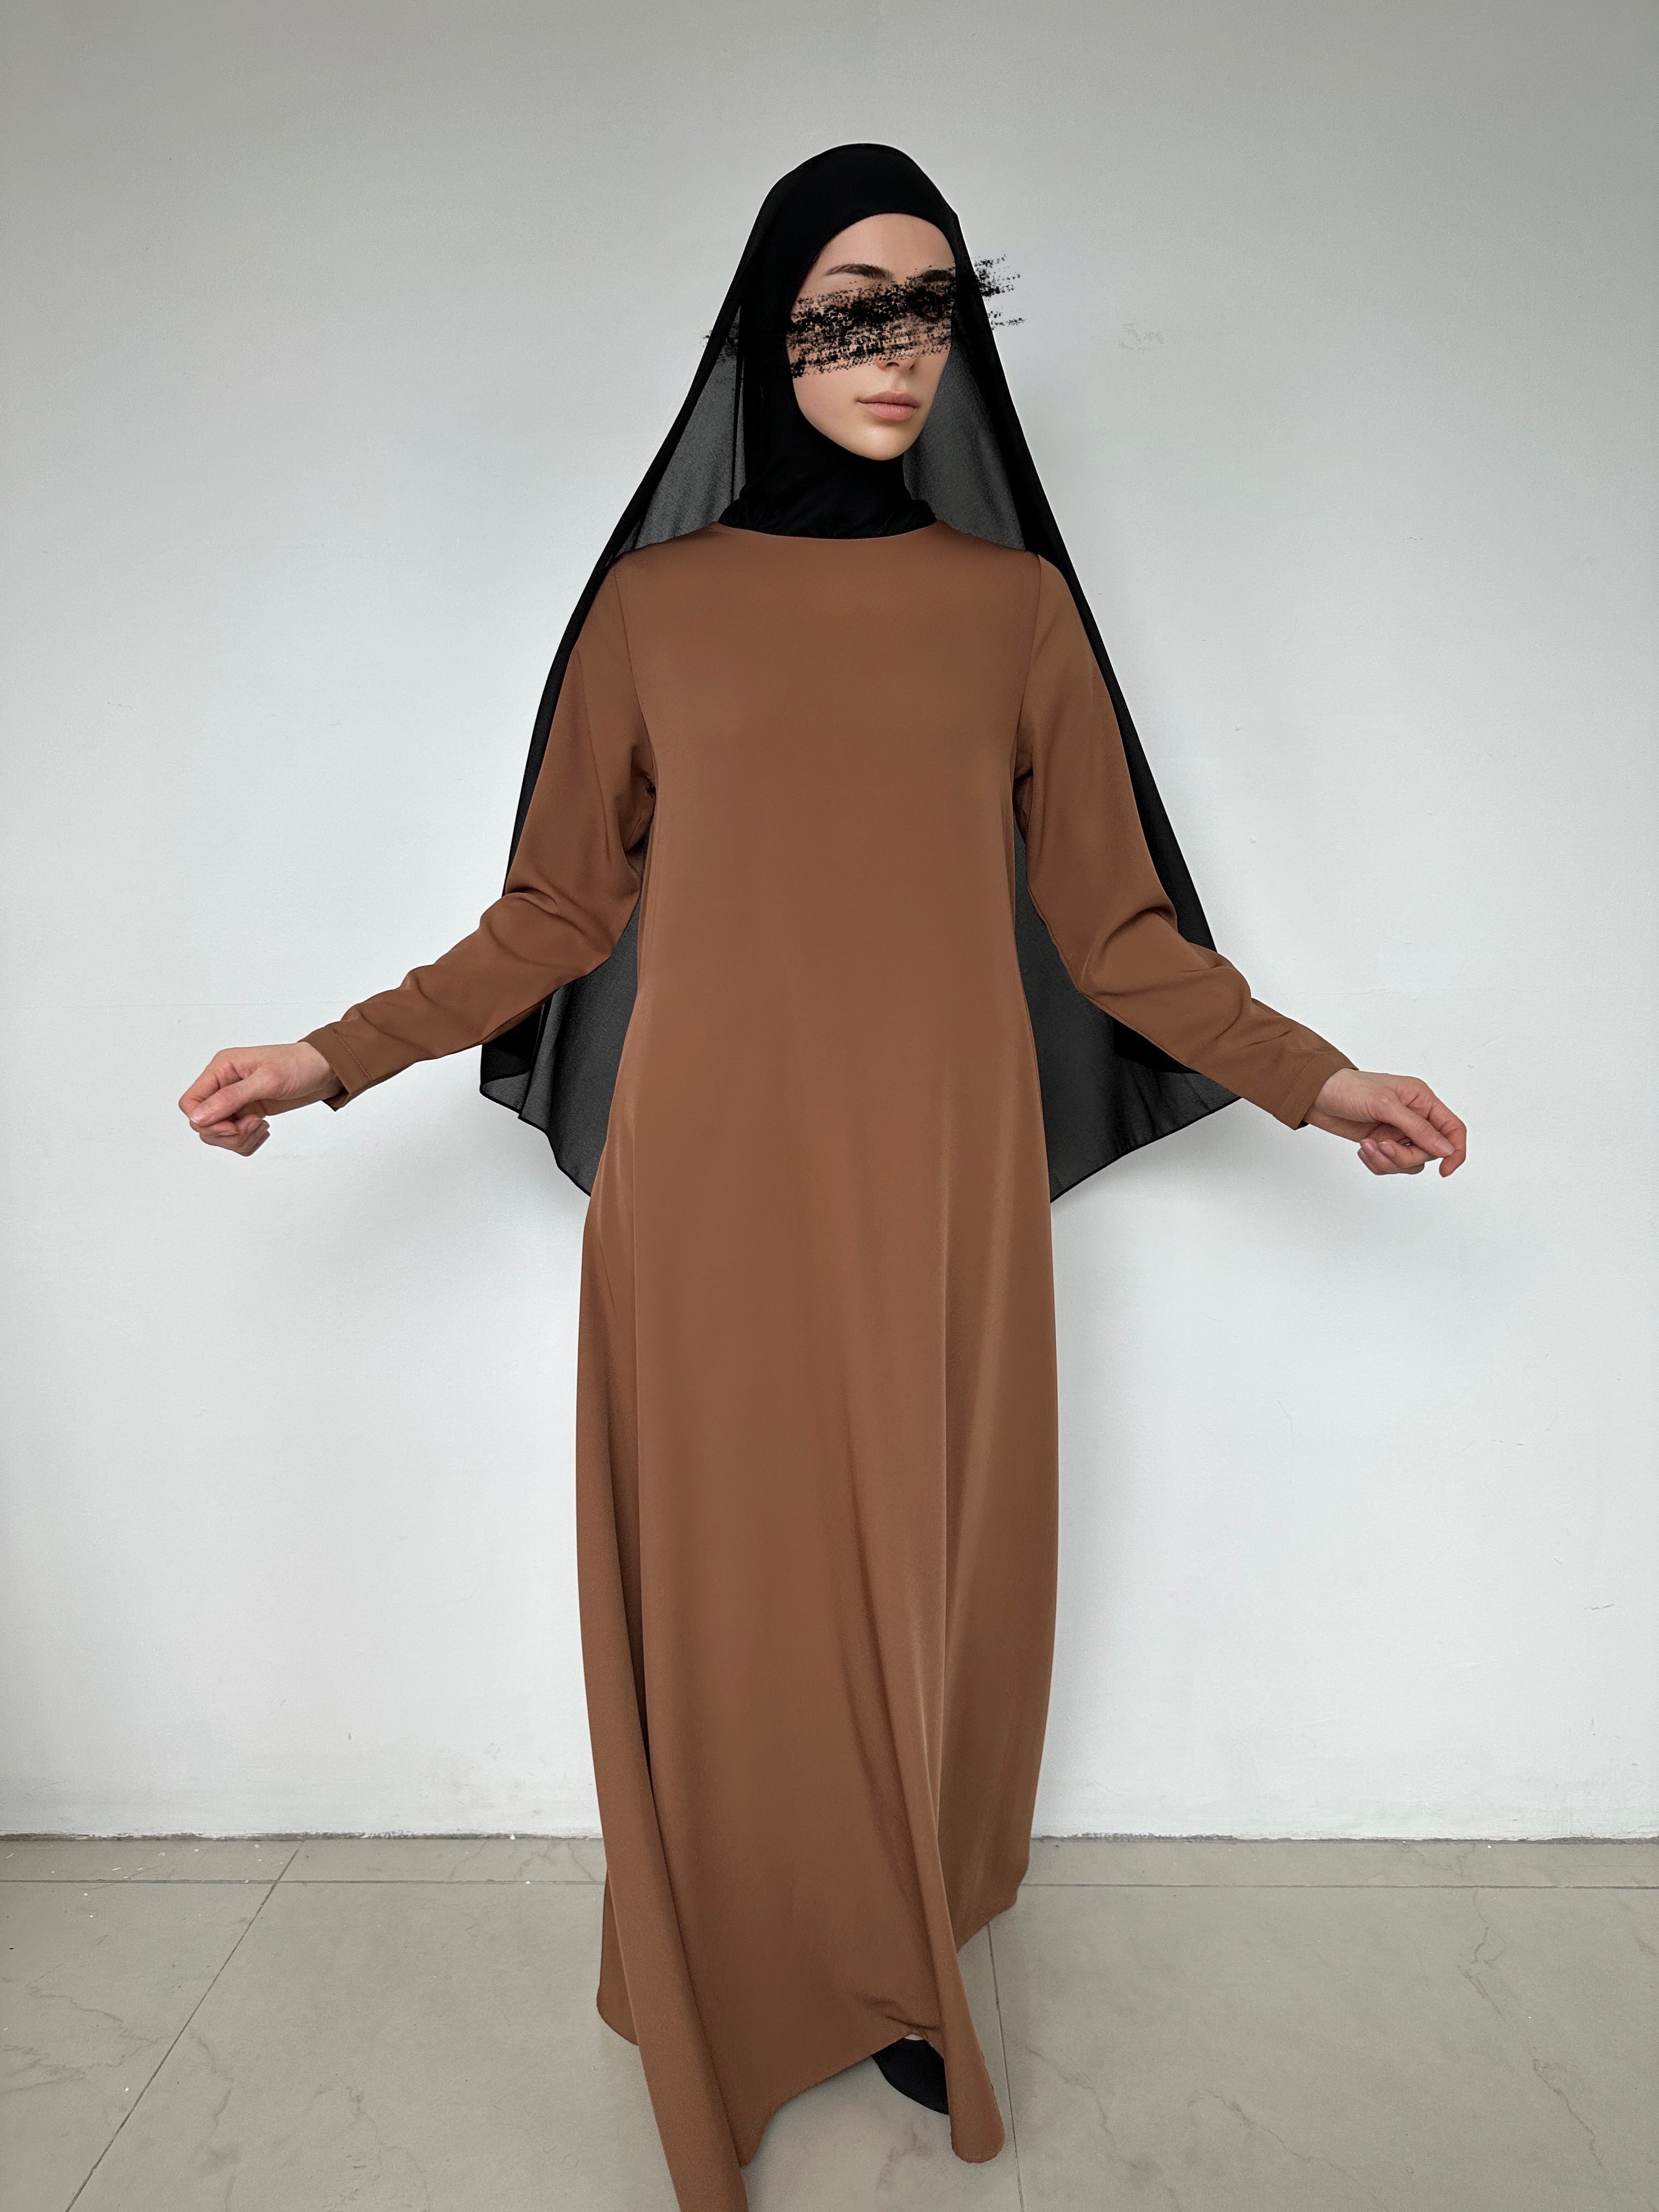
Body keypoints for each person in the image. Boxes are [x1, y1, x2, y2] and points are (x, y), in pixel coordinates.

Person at [179, 145, 1466, 2212]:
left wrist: (1324, 1083)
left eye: (933, 306)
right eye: (853, 304)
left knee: (919, 1586)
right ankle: (723, 1977)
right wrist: (327, 1060)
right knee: (722, 1599)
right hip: (703, 1190)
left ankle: (892, 1961)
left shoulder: (1015, 613)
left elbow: (1118, 934)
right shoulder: (656, 608)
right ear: (768, 328)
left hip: (942, 1189)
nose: (898, 348)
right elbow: (552, 915)